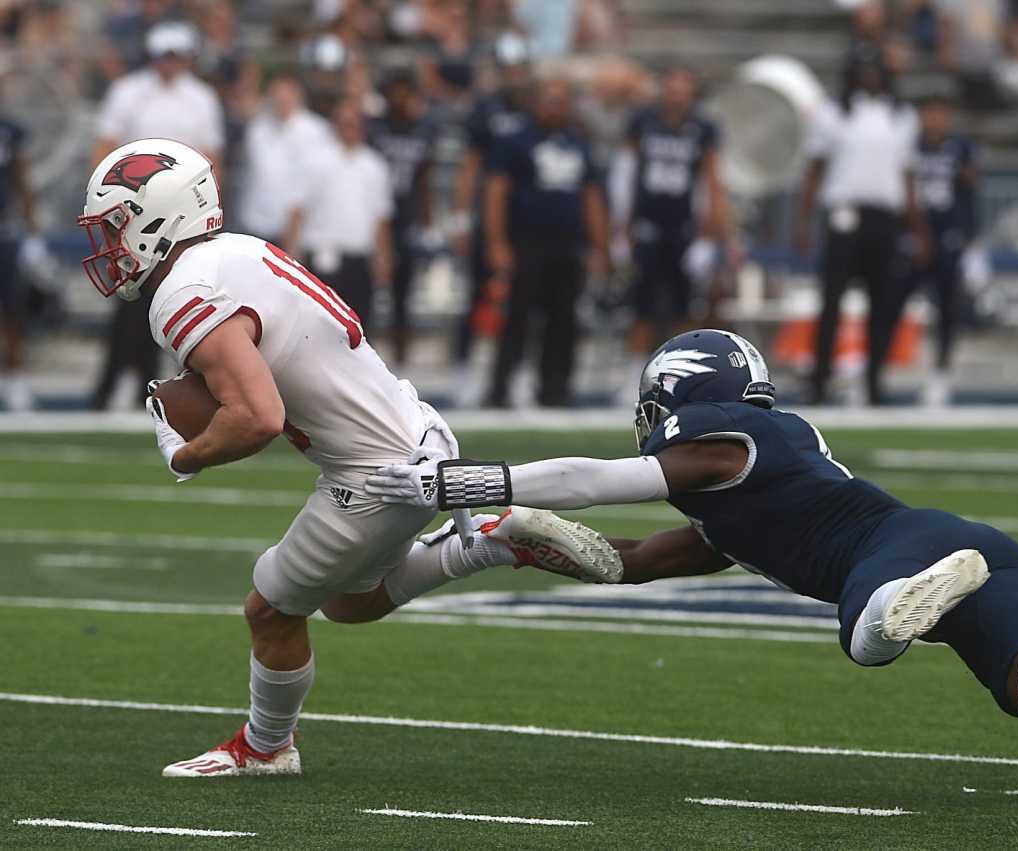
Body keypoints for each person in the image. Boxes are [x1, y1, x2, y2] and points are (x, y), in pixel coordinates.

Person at [76, 137, 621, 777]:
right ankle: (487, 543)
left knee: (271, 610)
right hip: (421, 434)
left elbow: (258, 418)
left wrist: (186, 455)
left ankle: (266, 748)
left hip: (376, 476)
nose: (109, 246)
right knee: (348, 602)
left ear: (157, 217)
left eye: (116, 225)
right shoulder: (238, 252)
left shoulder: (181, 292)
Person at [366, 329, 1018, 726]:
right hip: (978, 548)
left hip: (893, 553)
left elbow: (597, 481)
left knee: (866, 638)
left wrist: (457, 484)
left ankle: (897, 604)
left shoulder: (726, 445)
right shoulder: (743, 511)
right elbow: (627, 560)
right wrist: (517, 546)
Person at [91, 21, 225, 410]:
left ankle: (155, 386)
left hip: (183, 212)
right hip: (131, 211)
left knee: (174, 292)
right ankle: (125, 383)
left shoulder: (201, 99)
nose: (168, 63)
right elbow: (105, 147)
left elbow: (213, 162)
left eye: (174, 55)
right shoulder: (128, 92)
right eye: (163, 55)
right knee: (131, 293)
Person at [794, 47, 929, 405]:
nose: (870, 77)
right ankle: (821, 380)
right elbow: (815, 170)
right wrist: (804, 221)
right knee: (832, 301)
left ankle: (874, 381)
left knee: (883, 304)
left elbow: (908, 176)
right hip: (843, 216)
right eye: (863, 69)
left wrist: (917, 227)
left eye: (875, 70)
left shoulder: (901, 116)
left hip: (885, 219)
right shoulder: (833, 113)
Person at [483, 75, 610, 408]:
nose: (556, 107)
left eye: (561, 101)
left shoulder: (579, 142)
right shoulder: (516, 141)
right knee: (518, 319)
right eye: (550, 100)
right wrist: (497, 242)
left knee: (564, 320)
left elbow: (591, 196)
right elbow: (497, 191)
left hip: (568, 246)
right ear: (536, 102)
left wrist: (599, 246)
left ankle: (556, 390)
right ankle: (500, 389)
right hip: (528, 242)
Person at [615, 66, 730, 354]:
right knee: (640, 305)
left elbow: (711, 180)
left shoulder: (703, 129)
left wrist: (711, 234)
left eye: (683, 90)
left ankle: (682, 370)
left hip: (684, 227)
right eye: (672, 89)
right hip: (647, 223)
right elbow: (624, 175)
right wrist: (621, 225)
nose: (676, 96)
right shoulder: (642, 122)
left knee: (684, 305)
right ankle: (636, 371)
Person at [450, 32, 532, 365]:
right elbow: (471, 164)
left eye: (517, 67)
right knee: (478, 292)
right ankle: (465, 365)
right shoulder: (485, 109)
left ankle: (512, 366)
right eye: (508, 67)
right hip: (490, 212)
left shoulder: (533, 107)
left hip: (526, 214)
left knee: (525, 296)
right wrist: (461, 213)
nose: (513, 74)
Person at [285, 100, 392, 332]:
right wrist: (292, 254)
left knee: (358, 326)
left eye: (354, 124)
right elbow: (298, 210)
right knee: (319, 327)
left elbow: (380, 216)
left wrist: (382, 258)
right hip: (323, 254)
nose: (349, 129)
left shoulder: (375, 166)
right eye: (344, 123)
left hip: (359, 257)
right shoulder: (315, 163)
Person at [906, 92, 978, 407]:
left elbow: (971, 188)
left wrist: (969, 236)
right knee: (891, 302)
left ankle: (940, 372)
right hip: (913, 233)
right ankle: (874, 370)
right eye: (930, 113)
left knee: (948, 308)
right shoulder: (908, 145)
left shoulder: (960, 148)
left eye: (941, 113)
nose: (935, 120)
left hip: (948, 233)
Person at [369, 69, 437, 363]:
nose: (399, 97)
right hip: (374, 215)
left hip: (406, 215)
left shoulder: (421, 129)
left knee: (403, 290)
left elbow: (425, 178)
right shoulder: (375, 128)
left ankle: (401, 353)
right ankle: (365, 348)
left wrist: (427, 219)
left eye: (404, 91)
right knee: (370, 284)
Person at [239, 73, 332, 246]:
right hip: (255, 224)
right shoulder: (258, 128)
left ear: (298, 95)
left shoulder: (316, 131)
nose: (281, 99)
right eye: (276, 94)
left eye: (287, 94)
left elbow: (313, 184)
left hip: (296, 229)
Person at [0, 106, 40, 411]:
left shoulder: (9, 129)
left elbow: (21, 178)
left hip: (3, 230)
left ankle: (14, 376)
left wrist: (32, 231)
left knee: (13, 309)